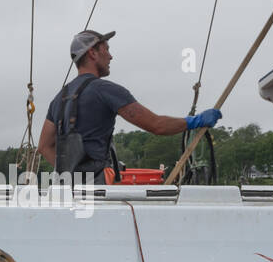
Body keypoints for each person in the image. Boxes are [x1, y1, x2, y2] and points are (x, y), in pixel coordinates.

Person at [38, 29, 221, 182]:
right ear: (92, 53)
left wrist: (71, 175)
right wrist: (194, 121)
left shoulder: (59, 98)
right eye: (106, 49)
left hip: (67, 192)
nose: (111, 56)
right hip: (97, 190)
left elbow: (44, 146)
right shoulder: (105, 90)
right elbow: (156, 125)